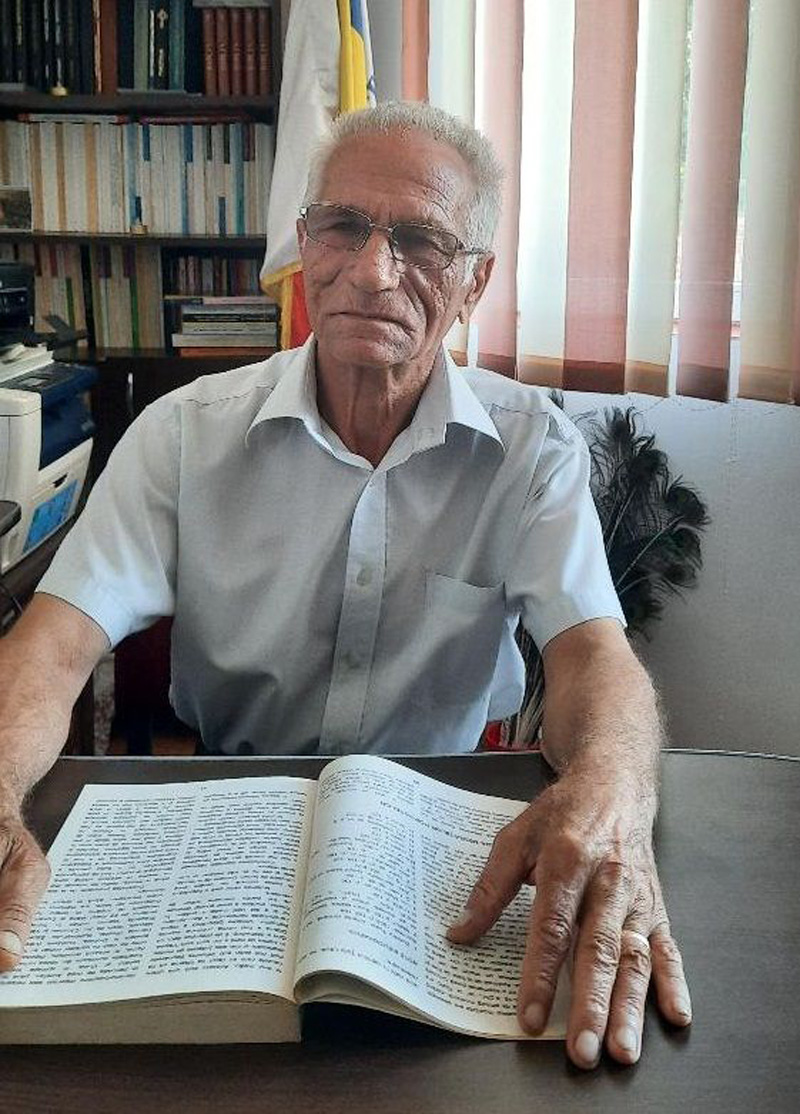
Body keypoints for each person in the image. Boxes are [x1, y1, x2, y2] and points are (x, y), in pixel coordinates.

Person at [0, 102, 691, 1068]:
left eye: (422, 242)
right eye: (343, 227)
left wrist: (612, 786)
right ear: (304, 243)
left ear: (476, 281)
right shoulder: (184, 434)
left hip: (440, 822)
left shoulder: (532, 450)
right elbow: (52, 645)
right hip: (229, 808)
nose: (372, 270)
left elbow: (592, 653)